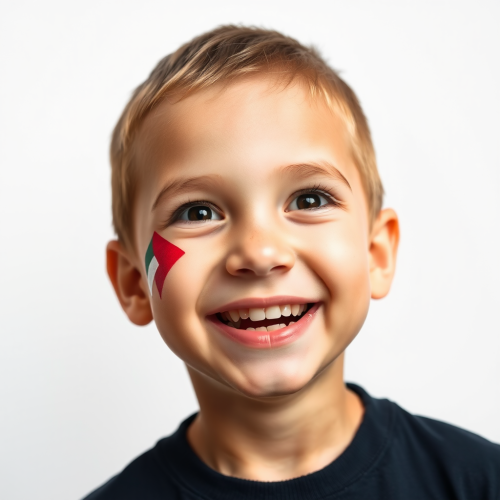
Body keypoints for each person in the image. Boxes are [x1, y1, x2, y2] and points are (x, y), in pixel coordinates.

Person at [83, 25, 500, 499]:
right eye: (198, 212)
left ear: (375, 254)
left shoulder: (479, 483)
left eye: (308, 199)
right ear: (135, 283)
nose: (260, 254)